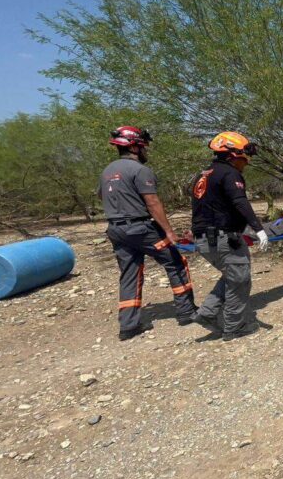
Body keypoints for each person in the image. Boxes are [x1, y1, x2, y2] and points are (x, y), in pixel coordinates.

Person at [98, 126, 196, 341]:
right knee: (175, 262)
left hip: (116, 230)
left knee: (130, 273)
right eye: (144, 147)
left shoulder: (107, 171)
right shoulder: (140, 170)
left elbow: (102, 197)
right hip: (141, 229)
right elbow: (152, 202)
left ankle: (128, 326)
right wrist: (169, 232)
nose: (146, 152)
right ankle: (187, 312)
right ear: (134, 146)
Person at [189, 131, 270, 341]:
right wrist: (258, 228)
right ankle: (235, 326)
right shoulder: (230, 174)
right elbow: (239, 202)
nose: (246, 164)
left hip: (203, 238)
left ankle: (207, 313)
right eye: (245, 159)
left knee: (232, 276)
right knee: (240, 280)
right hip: (224, 237)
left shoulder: (203, 174)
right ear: (233, 155)